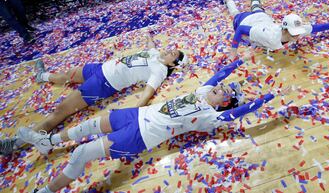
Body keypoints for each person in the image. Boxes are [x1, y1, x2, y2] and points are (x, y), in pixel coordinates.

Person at [21, 58, 283, 193]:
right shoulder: (203, 93)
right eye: (221, 87)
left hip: (140, 135)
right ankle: (49, 142)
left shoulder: (210, 117)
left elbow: (236, 115)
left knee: (81, 153)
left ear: (225, 102)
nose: (219, 87)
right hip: (136, 114)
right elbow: (217, 75)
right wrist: (236, 65)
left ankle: (46, 190)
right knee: (88, 125)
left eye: (224, 91)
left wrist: (265, 99)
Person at [0, 35, 188, 155]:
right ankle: (42, 76)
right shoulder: (155, 53)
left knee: (60, 111)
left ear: (173, 65)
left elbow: (148, 92)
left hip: (102, 84)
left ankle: (15, 144)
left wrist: (132, 111)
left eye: (173, 54)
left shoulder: (160, 70)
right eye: (172, 48)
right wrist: (150, 37)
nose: (170, 50)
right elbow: (149, 46)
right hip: (100, 68)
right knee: (68, 74)